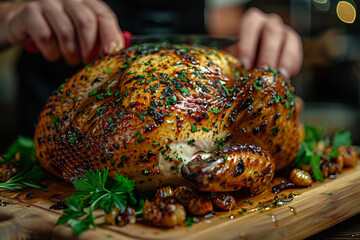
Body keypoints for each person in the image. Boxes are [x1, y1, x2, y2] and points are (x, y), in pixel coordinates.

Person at [0, 0, 303, 135]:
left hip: (190, 121)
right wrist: (10, 17)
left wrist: (263, 36)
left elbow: (222, 19)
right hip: (53, 137)